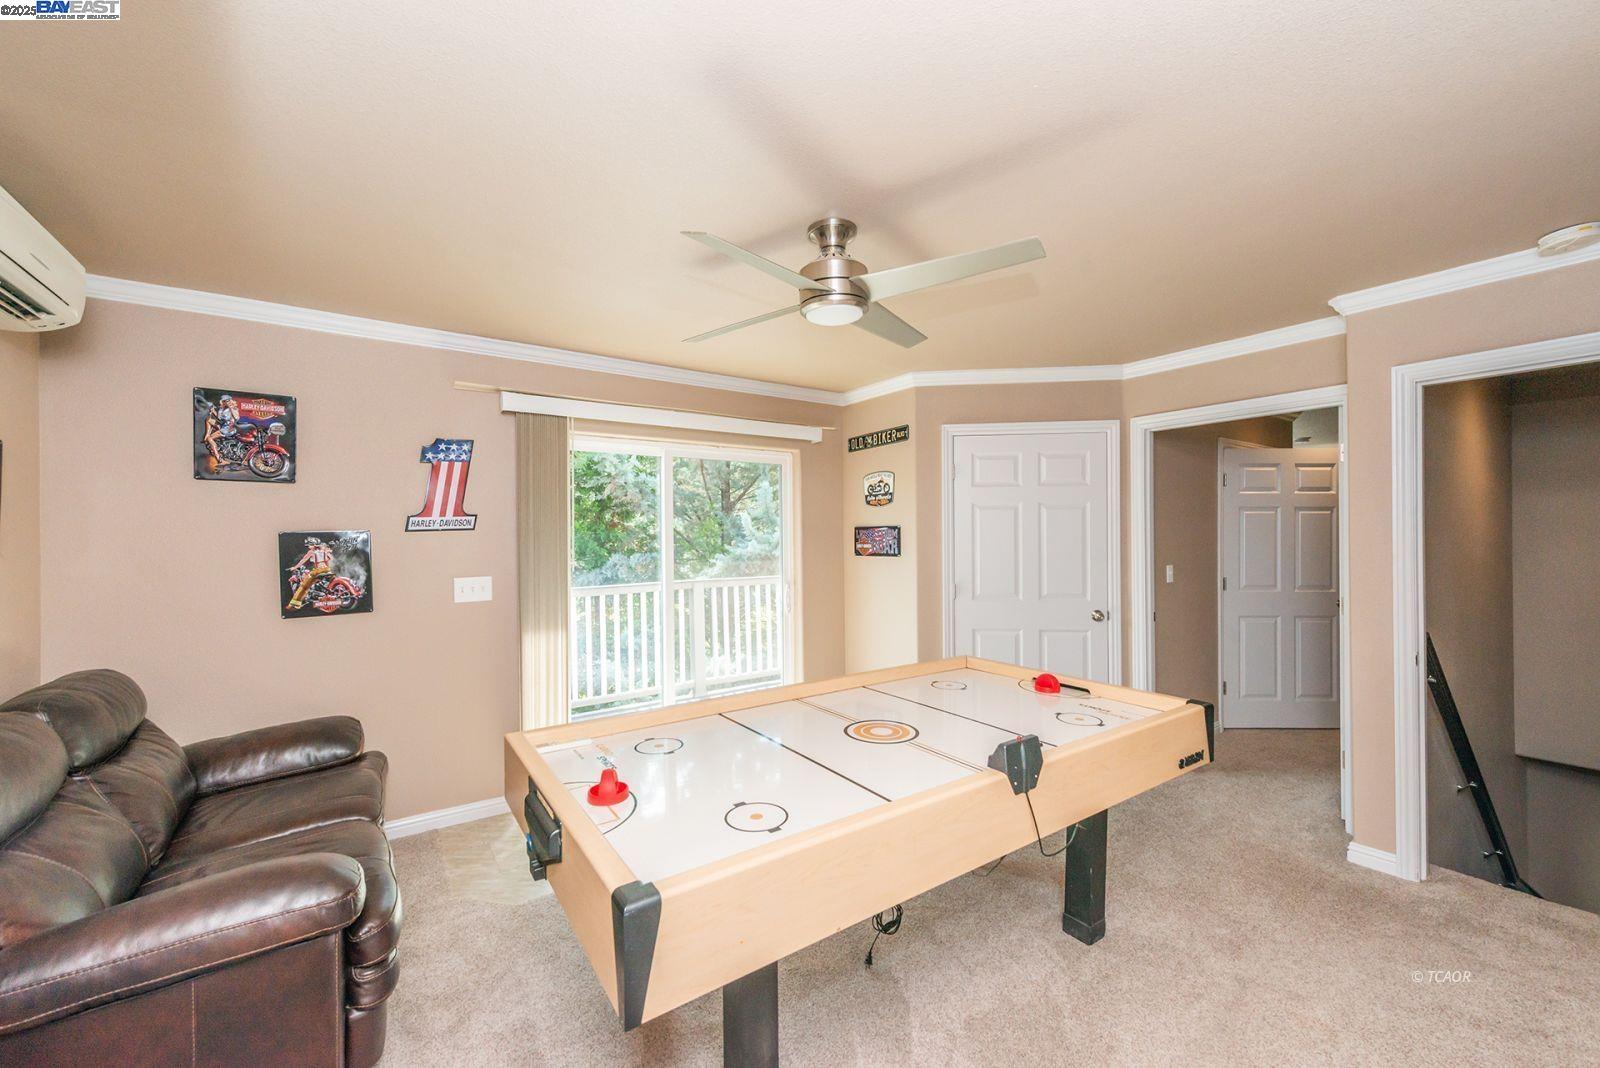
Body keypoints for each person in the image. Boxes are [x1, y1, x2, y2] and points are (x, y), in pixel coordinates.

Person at [286, 536, 335, 610]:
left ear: (313, 545)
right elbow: (329, 559)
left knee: (304, 586)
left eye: (309, 545)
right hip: (326, 569)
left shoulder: (311, 552)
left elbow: (303, 560)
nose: (308, 547)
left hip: (318, 570)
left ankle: (295, 604)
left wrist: (294, 567)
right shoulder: (324, 550)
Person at [204, 394, 241, 468]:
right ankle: (207, 435)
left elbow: (237, 418)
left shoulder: (233, 408)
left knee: (210, 439)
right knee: (208, 420)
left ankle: (220, 459)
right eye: (224, 401)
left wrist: (231, 408)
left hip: (229, 429)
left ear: (231, 401)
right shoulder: (221, 409)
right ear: (222, 402)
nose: (226, 402)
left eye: (228, 400)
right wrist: (213, 411)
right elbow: (220, 419)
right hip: (223, 426)